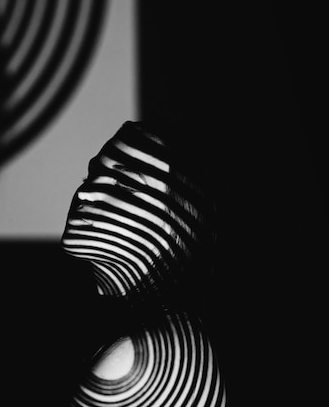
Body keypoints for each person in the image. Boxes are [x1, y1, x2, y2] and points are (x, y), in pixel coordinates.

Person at [61, 120, 226, 406]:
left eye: (124, 185)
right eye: (93, 174)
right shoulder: (160, 334)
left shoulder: (135, 361)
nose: (85, 193)